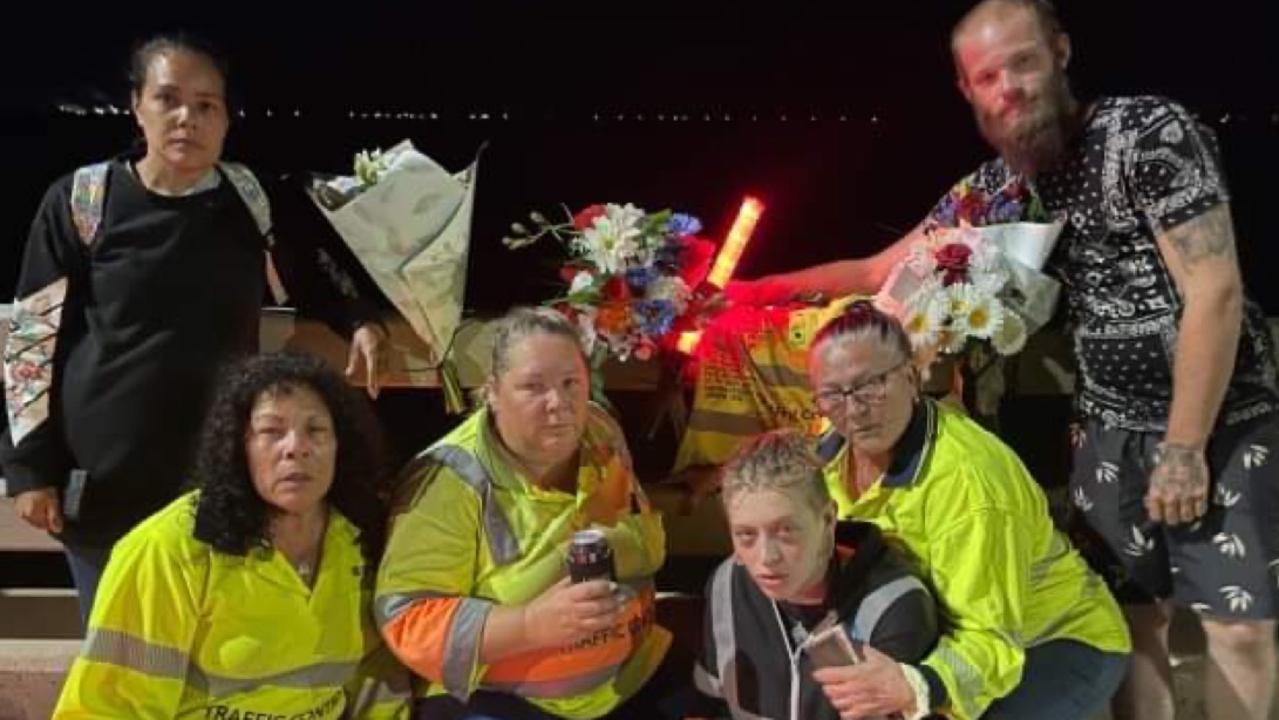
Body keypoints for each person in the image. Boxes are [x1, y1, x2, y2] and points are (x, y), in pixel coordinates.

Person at [730, 2, 1279, 717]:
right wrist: (747, 291)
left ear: (1059, 52)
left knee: (1235, 629)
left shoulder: (1146, 131)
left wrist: (1184, 447)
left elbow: (1215, 287)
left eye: (1022, 62)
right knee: (1137, 617)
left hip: (1218, 418)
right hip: (1107, 430)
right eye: (987, 75)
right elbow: (878, 270)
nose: (1008, 87)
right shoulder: (1001, 186)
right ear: (967, 90)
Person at [1, 33, 387, 625]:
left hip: (218, 476)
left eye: (207, 105)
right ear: (137, 105)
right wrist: (29, 470)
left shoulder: (247, 200)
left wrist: (359, 321)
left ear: (228, 118)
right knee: (120, 662)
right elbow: (28, 338)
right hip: (105, 479)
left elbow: (312, 272)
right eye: (169, 99)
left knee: (213, 651)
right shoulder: (83, 200)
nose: (188, 118)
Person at [803, 301, 1130, 719]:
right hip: (932, 630)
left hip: (1049, 642)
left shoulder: (969, 483)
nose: (854, 410)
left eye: (871, 386)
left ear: (910, 376)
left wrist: (915, 687)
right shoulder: (822, 457)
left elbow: (990, 640)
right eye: (833, 394)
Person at [52, 352, 408, 718]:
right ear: (239, 446)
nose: (296, 447)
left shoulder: (359, 541)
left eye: (315, 430)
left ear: (340, 445)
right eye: (271, 431)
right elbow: (107, 707)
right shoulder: (167, 548)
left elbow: (378, 683)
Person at [375, 307, 678, 720]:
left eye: (571, 383)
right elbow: (406, 619)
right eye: (533, 387)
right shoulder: (448, 480)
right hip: (503, 703)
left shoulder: (601, 431)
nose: (559, 404)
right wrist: (529, 624)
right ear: (493, 393)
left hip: (627, 682)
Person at [689, 429, 938, 720]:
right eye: (746, 535)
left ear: (828, 520)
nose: (766, 557)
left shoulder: (894, 606)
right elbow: (710, 701)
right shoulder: (725, 585)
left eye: (786, 531)